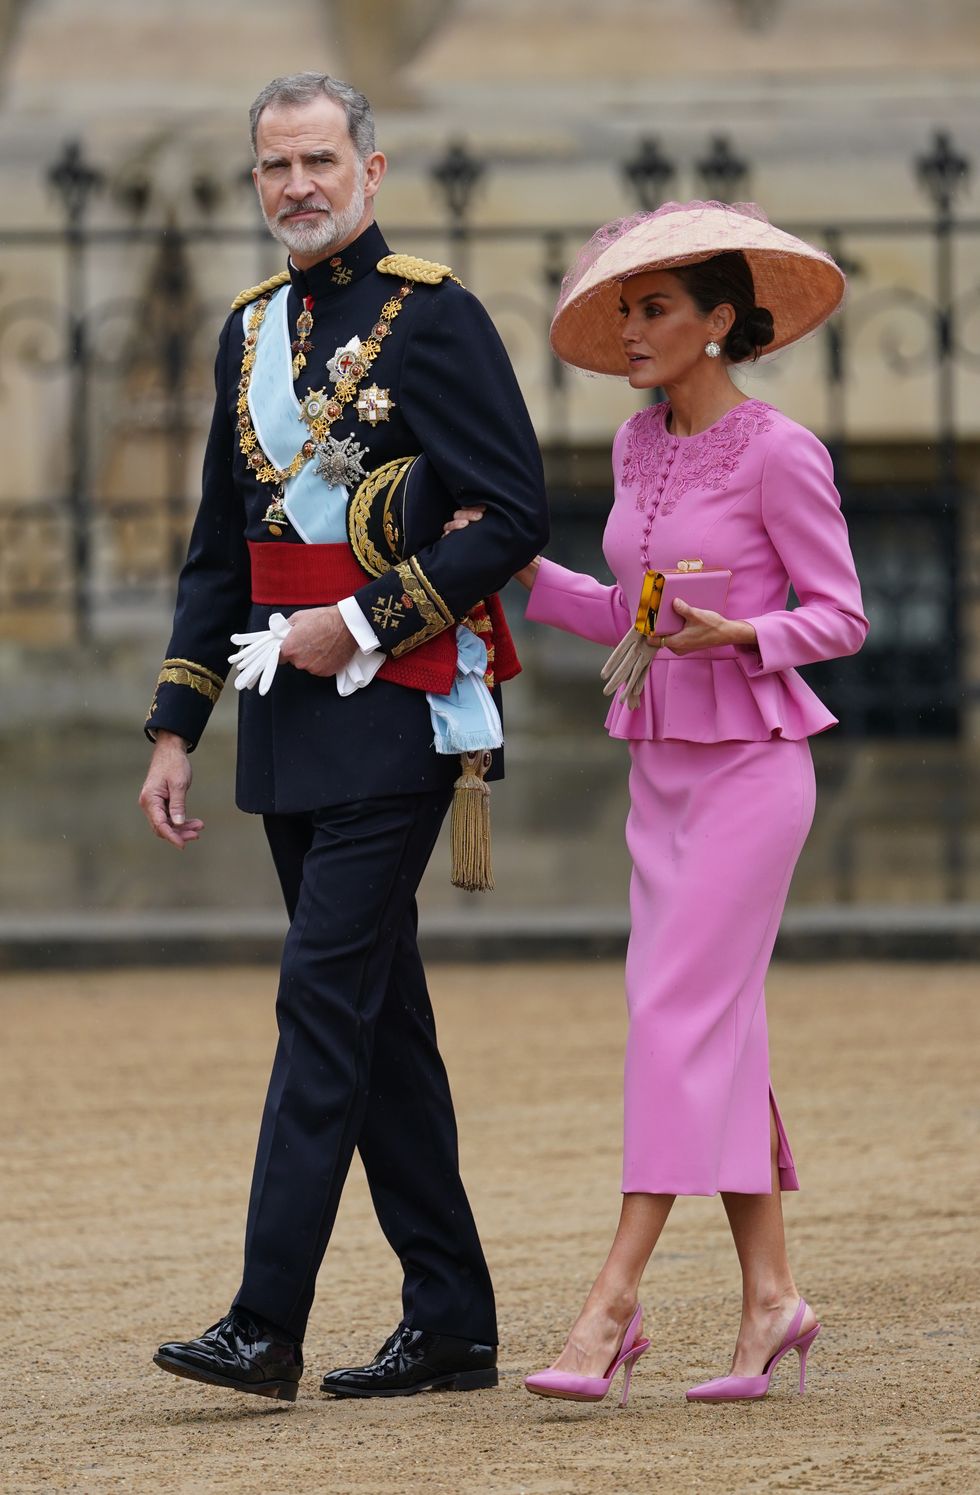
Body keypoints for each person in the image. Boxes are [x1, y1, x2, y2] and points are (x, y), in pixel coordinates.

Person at [138, 71, 548, 1403]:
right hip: (282, 718)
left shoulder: (436, 317)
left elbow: (513, 511)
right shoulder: (247, 329)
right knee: (380, 1022)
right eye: (276, 164)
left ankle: (265, 1319)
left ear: (371, 171)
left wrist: (363, 619)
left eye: (319, 160)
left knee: (320, 999)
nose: (297, 185)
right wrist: (174, 724)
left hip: (395, 707)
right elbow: (220, 552)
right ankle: (454, 1318)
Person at [453, 200, 867, 1405]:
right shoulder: (637, 448)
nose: (630, 329)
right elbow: (629, 612)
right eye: (624, 310)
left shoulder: (780, 450)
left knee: (670, 1016)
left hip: (751, 768)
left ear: (718, 321)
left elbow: (841, 615)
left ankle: (610, 1302)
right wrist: (520, 569)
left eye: (654, 309)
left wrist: (746, 632)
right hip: (659, 770)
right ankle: (770, 1298)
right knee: (712, 1027)